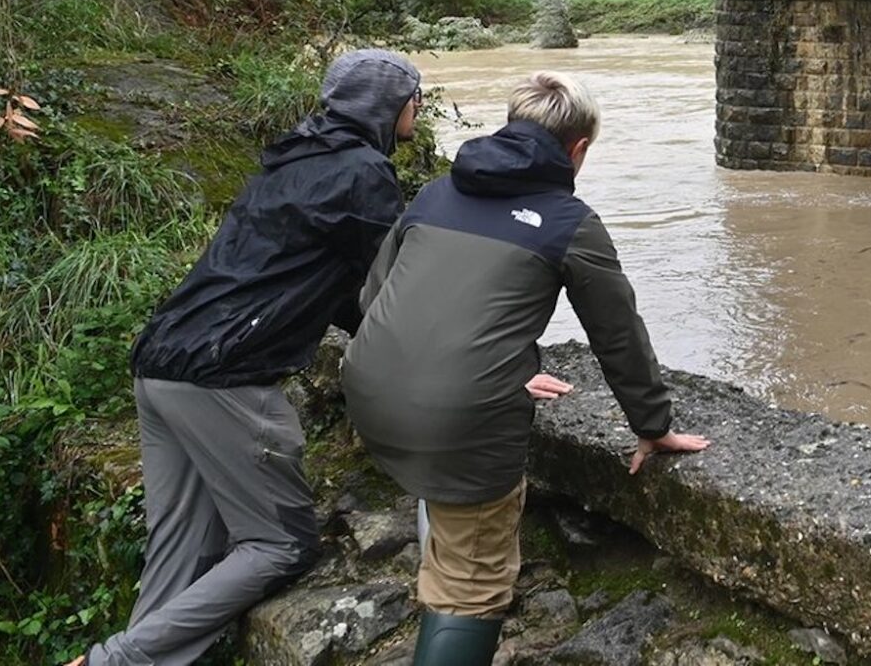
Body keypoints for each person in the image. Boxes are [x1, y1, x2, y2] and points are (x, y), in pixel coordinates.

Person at [65, 48, 422, 666]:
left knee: (182, 547)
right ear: (386, 107)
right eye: (413, 96)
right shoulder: (363, 172)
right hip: (223, 376)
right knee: (280, 544)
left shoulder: (294, 156)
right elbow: (398, 281)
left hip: (162, 362)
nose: (419, 106)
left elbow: (333, 285)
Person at [341, 70, 710, 666]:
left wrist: (500, 363)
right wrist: (653, 424)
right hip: (457, 420)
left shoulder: (436, 192)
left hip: (369, 389)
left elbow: (373, 300)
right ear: (579, 149)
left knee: (448, 521)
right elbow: (618, 336)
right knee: (473, 582)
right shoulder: (569, 221)